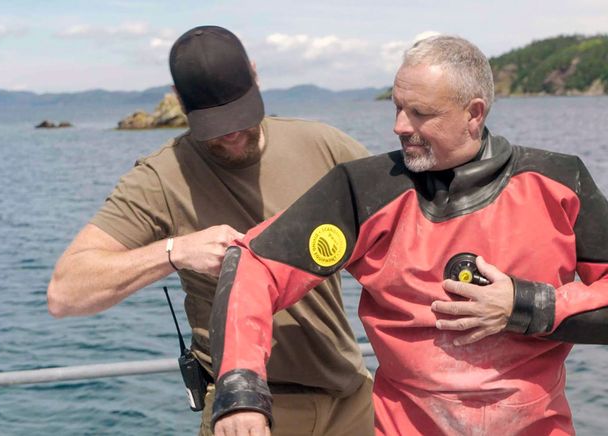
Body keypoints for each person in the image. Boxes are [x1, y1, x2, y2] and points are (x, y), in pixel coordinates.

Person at [209, 34, 608, 436]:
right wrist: (240, 388)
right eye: (398, 107)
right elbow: (255, 264)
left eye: (421, 113)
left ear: (473, 114)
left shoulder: (559, 182)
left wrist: (524, 306)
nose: (400, 126)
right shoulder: (364, 190)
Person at [46, 25, 374, 436]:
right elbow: (64, 292)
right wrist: (174, 251)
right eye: (214, 123)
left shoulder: (326, 146)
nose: (231, 132)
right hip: (249, 413)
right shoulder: (161, 179)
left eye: (239, 113)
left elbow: (409, 230)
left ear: (255, 76)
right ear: (179, 100)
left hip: (353, 400)